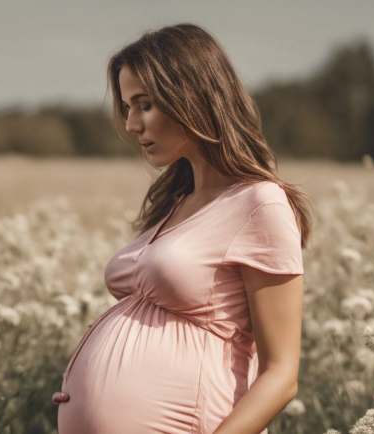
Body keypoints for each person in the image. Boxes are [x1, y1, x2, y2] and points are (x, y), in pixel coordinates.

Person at [54, 22, 313, 434]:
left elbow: (281, 376)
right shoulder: (176, 201)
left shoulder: (259, 203)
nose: (131, 124)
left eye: (145, 105)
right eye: (126, 107)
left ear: (191, 97)